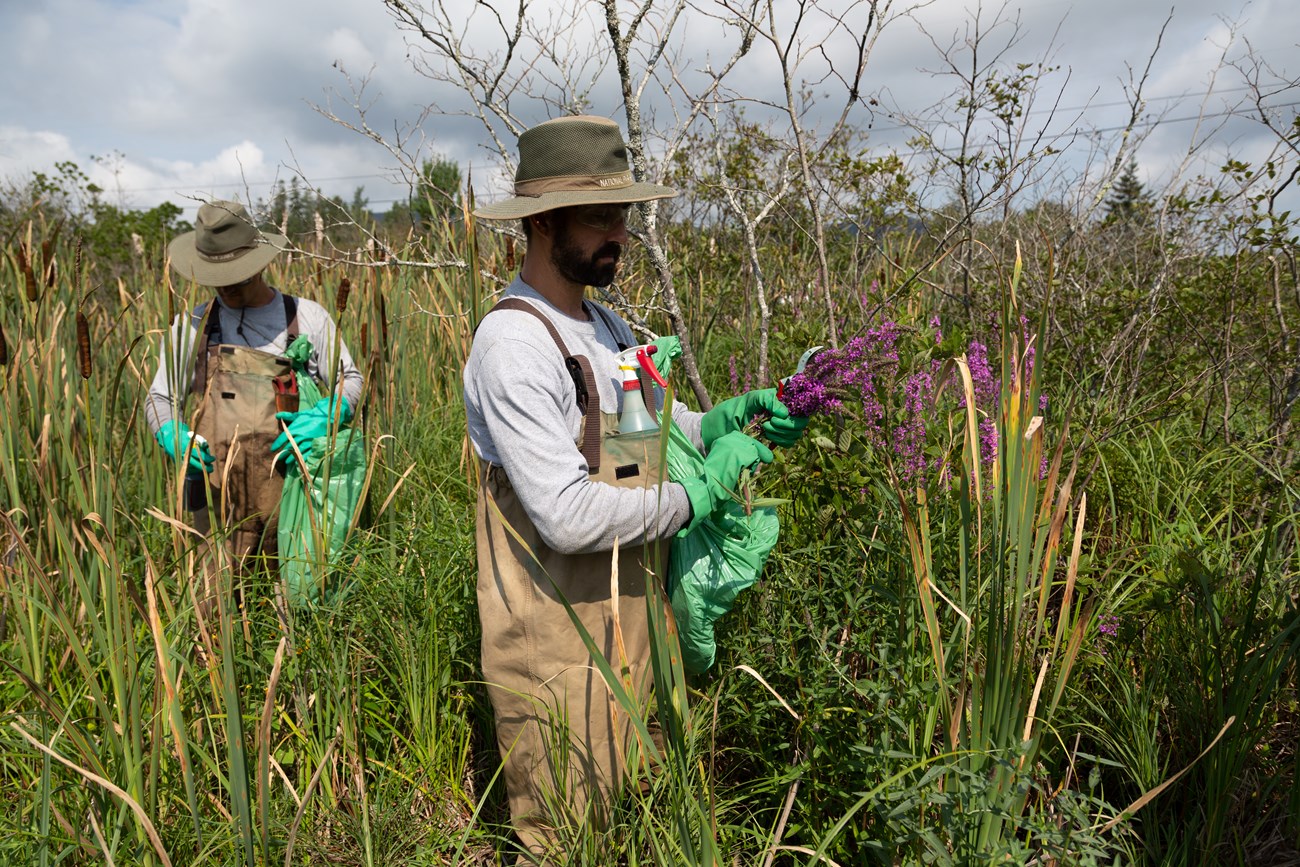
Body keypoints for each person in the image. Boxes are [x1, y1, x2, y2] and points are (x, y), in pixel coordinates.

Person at [464, 114, 808, 858]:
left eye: (625, 213)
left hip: (633, 617)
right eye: (601, 216)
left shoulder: (609, 326)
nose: (621, 231)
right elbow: (561, 515)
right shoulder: (515, 344)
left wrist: (726, 420)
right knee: (562, 833)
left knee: (633, 811)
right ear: (544, 221)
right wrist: (699, 495)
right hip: (554, 633)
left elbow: (661, 423)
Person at [146, 200, 364, 634]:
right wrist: (172, 433)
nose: (225, 288)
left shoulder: (305, 318)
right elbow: (159, 396)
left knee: (296, 612)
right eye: (216, 278)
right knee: (215, 613)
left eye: (235, 276)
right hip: (216, 495)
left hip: (294, 493)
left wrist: (328, 413)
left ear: (259, 263)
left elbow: (351, 379)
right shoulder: (194, 327)